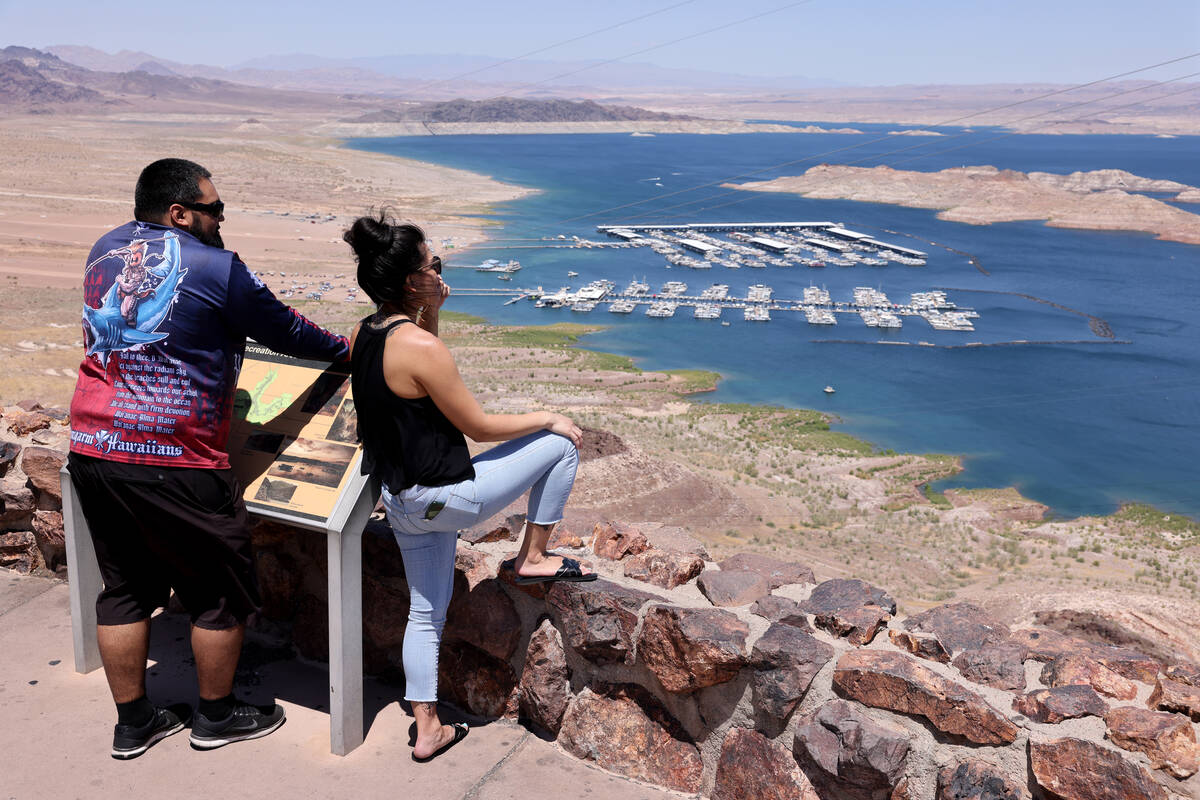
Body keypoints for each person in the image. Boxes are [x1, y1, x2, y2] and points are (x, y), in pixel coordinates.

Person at [68, 158, 350, 759]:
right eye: (213, 210)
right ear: (179, 213)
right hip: (180, 458)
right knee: (218, 595)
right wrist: (346, 349)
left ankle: (134, 723)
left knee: (123, 588)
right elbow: (287, 330)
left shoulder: (103, 248)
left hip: (95, 446)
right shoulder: (217, 267)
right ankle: (218, 716)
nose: (221, 220)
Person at [345, 211, 595, 762]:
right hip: (448, 497)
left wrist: (429, 314)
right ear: (413, 280)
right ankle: (532, 556)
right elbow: (477, 426)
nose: (440, 269)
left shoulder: (363, 334)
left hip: (402, 501)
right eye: (433, 264)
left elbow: (412, 387)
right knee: (562, 445)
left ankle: (427, 728)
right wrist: (546, 417)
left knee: (424, 612)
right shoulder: (422, 347)